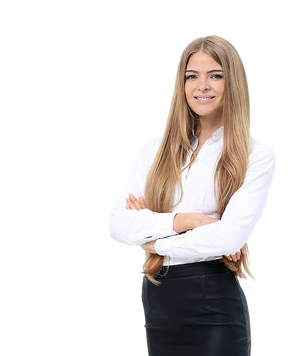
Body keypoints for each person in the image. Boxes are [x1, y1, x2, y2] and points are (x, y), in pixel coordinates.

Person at [109, 35, 275, 356]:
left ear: (233, 83)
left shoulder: (255, 156)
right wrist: (192, 221)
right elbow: (118, 224)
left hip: (213, 303)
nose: (202, 86)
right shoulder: (155, 151)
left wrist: (152, 239)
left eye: (215, 75)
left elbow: (227, 239)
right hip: (158, 301)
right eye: (192, 76)